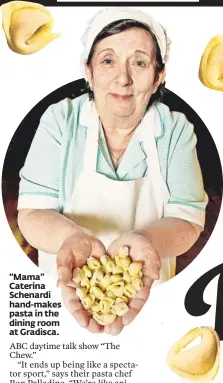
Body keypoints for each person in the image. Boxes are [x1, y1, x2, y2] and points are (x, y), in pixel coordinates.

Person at [17, 7, 208, 335]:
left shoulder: (175, 129)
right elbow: (32, 213)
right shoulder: (60, 121)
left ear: (159, 75)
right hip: (64, 293)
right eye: (107, 60)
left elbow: (189, 222)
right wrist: (72, 238)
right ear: (88, 71)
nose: (123, 78)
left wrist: (145, 240)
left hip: (153, 296)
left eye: (139, 62)